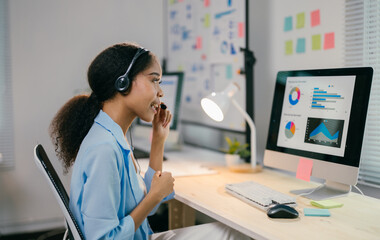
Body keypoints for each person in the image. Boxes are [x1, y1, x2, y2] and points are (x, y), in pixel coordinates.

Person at [50, 42, 251, 240]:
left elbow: (146, 207)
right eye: (154, 80)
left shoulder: (112, 135)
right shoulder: (104, 148)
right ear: (123, 83)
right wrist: (155, 195)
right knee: (236, 234)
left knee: (234, 232)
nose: (160, 92)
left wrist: (158, 142)